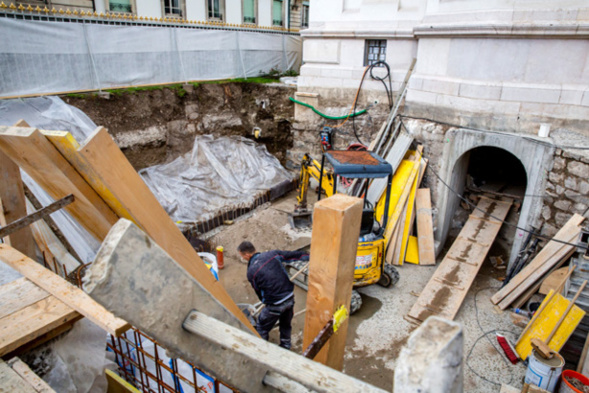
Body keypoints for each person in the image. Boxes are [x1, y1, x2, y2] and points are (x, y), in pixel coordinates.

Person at [237, 241, 309, 349]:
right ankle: (286, 346)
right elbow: (293, 255)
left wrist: (267, 303)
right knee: (285, 324)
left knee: (261, 327)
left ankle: (263, 350)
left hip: (274, 305)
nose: (242, 258)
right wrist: (309, 257)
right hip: (289, 298)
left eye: (242, 256)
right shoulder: (272, 254)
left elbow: (259, 291)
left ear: (247, 255)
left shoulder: (251, 271)